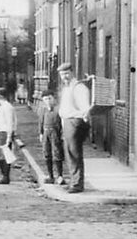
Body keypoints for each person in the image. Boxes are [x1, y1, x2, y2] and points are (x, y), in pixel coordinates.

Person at [57, 63, 91, 194]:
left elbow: (85, 108)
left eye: (66, 73)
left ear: (72, 72)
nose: (64, 77)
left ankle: (77, 184)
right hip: (67, 121)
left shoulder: (79, 87)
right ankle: (74, 181)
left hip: (75, 121)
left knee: (74, 153)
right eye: (62, 74)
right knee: (69, 153)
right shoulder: (66, 88)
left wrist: (81, 119)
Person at [38, 90, 65, 185]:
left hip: (55, 132)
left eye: (50, 98)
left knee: (57, 153)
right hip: (46, 132)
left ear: (53, 98)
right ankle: (50, 176)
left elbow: (62, 123)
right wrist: (41, 133)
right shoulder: (43, 109)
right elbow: (41, 121)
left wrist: (62, 134)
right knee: (47, 153)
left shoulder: (58, 109)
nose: (48, 101)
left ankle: (60, 176)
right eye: (45, 99)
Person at [0, 87, 17, 184]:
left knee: (4, 156)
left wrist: (9, 137)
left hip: (4, 133)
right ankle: (3, 175)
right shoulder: (2, 107)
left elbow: (10, 123)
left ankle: (5, 176)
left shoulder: (8, 107)